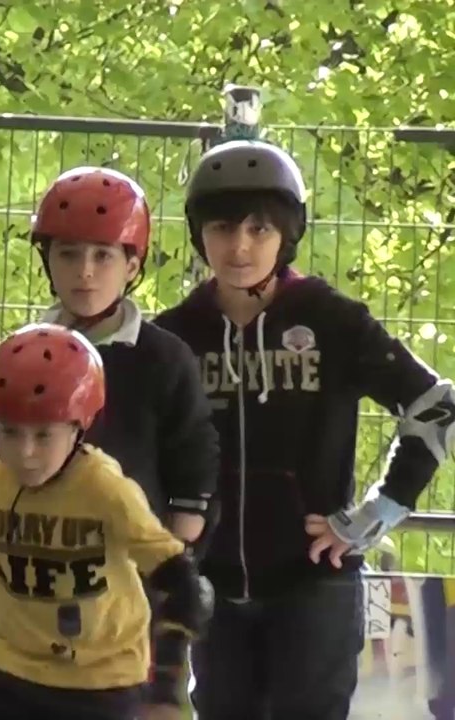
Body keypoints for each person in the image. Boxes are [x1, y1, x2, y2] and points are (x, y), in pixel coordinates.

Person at [155, 139, 455, 719]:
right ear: (199, 233)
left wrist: (376, 514)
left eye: (259, 230)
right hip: (209, 581)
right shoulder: (175, 335)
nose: (239, 246)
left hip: (314, 580)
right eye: (222, 227)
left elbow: (436, 405)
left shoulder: (331, 319)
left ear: (287, 235)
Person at [0, 324, 211, 720]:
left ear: (79, 428)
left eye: (44, 436)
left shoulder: (105, 491)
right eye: (9, 432)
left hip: (101, 682)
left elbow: (182, 586)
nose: (25, 453)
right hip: (10, 670)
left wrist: (165, 689)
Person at [29, 166, 218, 545]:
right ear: (47, 260)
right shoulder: (25, 350)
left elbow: (193, 463)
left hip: (130, 569)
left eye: (103, 256)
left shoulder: (163, 358)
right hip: (35, 559)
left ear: (131, 266)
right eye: (68, 255)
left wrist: (170, 567)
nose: (85, 272)